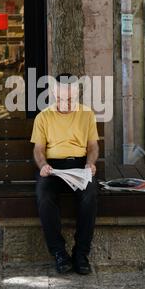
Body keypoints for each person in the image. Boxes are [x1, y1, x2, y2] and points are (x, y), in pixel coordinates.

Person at [30, 73, 99, 275]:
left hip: (79, 165)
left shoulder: (87, 115)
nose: (65, 103)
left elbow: (93, 146)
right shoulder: (43, 117)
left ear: (77, 94)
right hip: (53, 167)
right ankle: (59, 253)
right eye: (60, 98)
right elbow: (38, 149)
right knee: (44, 196)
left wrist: (90, 164)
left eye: (69, 99)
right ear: (53, 93)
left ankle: (81, 253)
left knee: (90, 194)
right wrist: (43, 165)